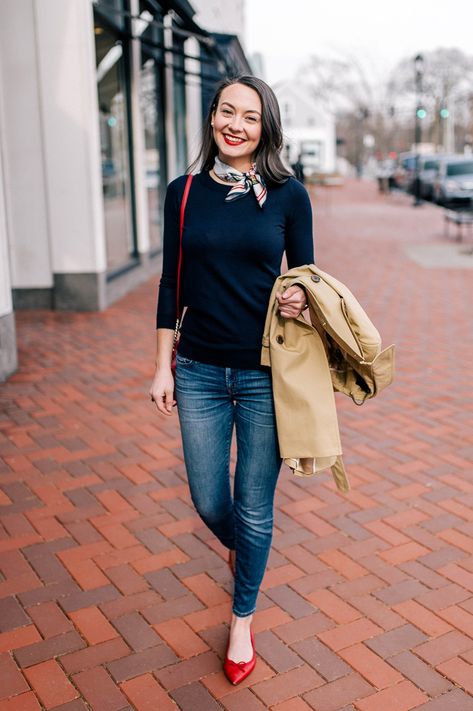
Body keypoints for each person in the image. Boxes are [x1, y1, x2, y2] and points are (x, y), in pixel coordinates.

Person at [149, 75, 314, 685]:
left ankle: (242, 617)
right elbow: (170, 283)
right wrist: (160, 364)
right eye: (226, 112)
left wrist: (300, 298)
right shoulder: (183, 192)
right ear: (212, 117)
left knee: (253, 506)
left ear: (265, 126)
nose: (235, 124)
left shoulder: (287, 196)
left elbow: (308, 277)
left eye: (249, 115)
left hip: (265, 373)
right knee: (210, 500)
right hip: (196, 370)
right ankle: (244, 550)